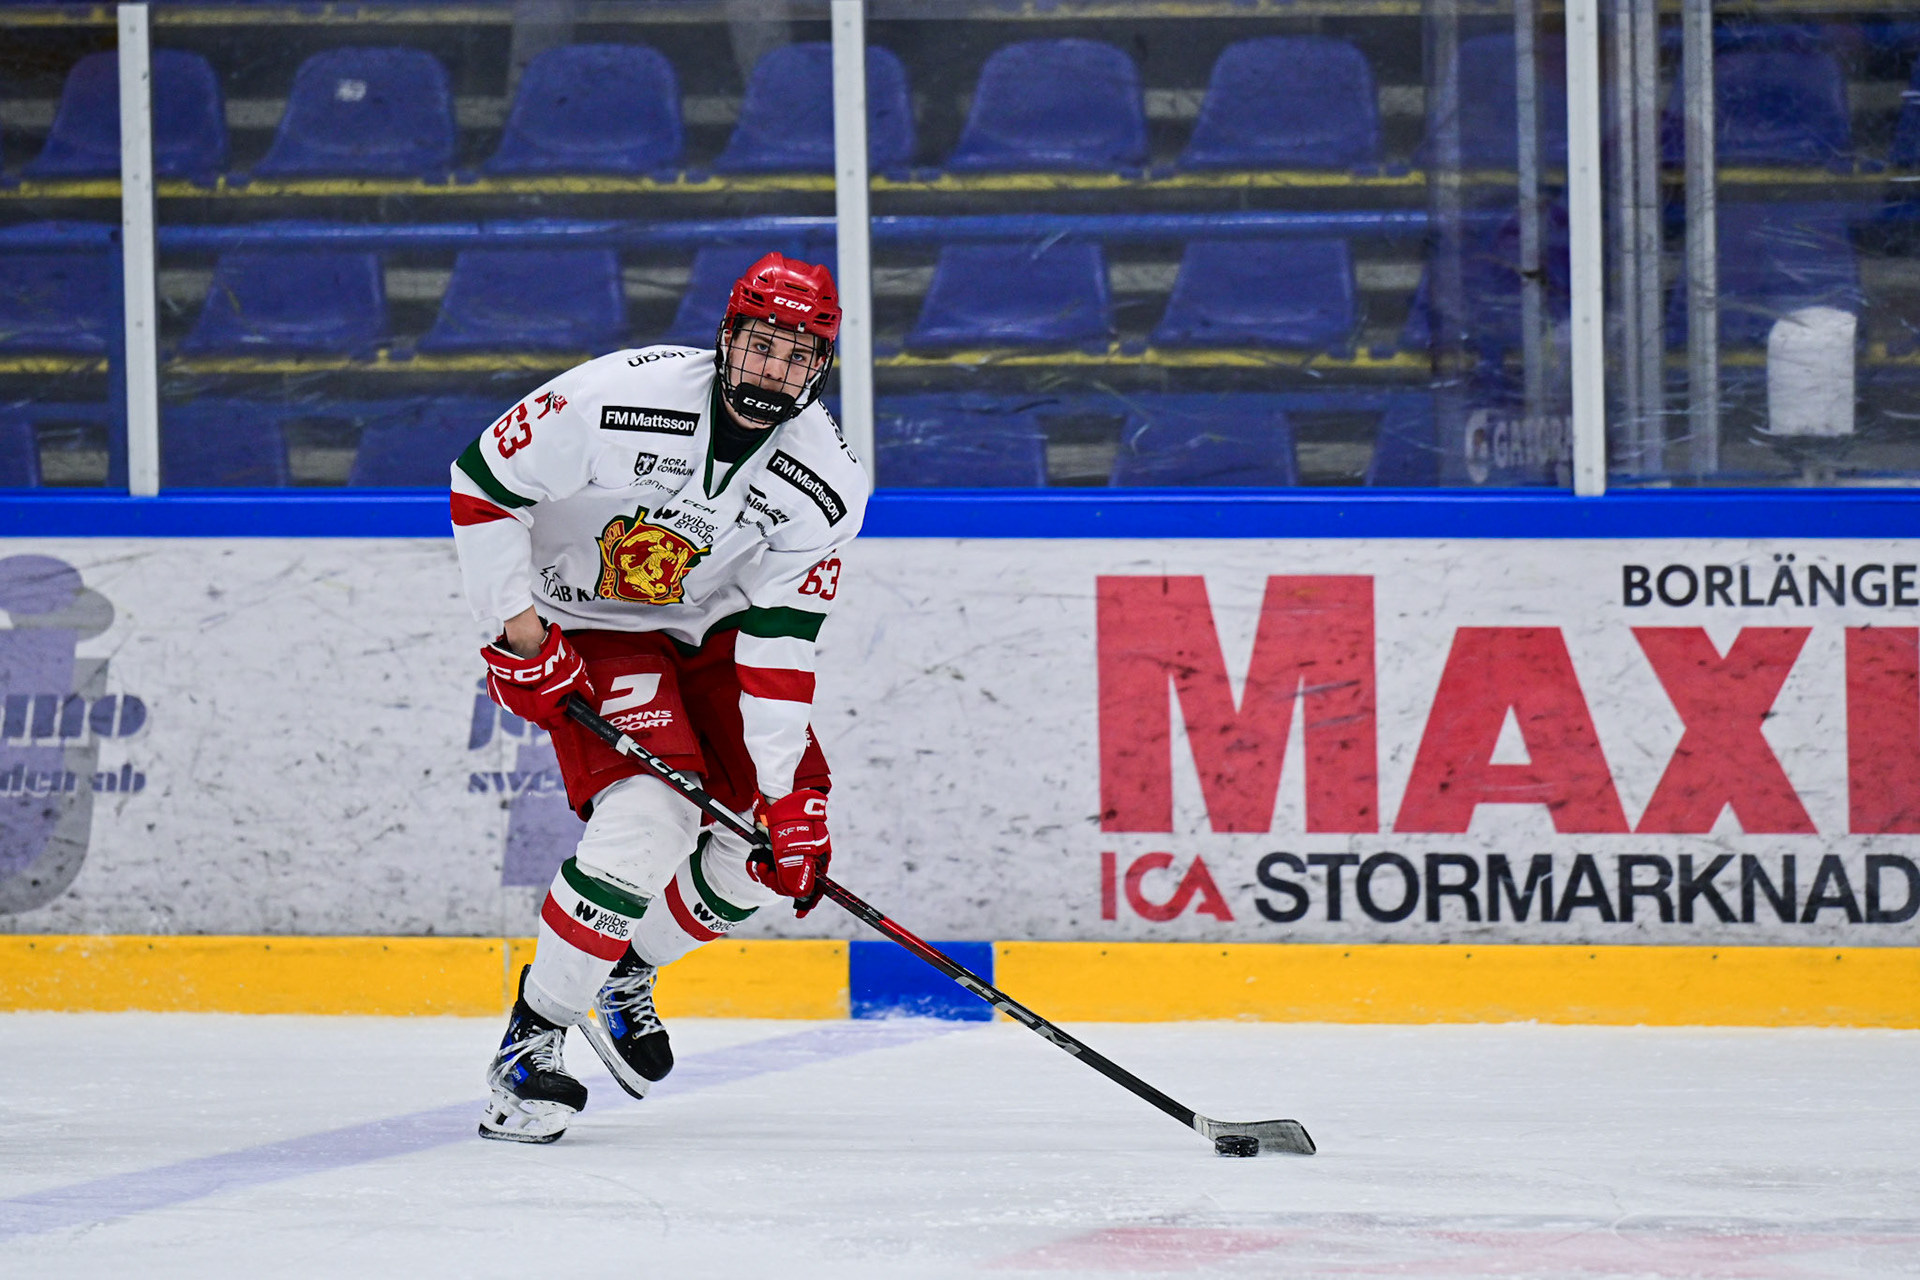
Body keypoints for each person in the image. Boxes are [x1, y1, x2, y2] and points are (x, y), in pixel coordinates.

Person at [451, 253, 867, 1143]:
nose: (774, 371)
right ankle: (529, 1047)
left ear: (821, 368)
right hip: (583, 619)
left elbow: (780, 646)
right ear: (727, 336)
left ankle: (623, 971)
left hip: (712, 626)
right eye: (761, 346)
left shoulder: (827, 480)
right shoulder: (615, 396)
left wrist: (785, 793)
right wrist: (519, 635)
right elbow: (482, 483)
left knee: (769, 845)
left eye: (798, 356)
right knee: (649, 815)